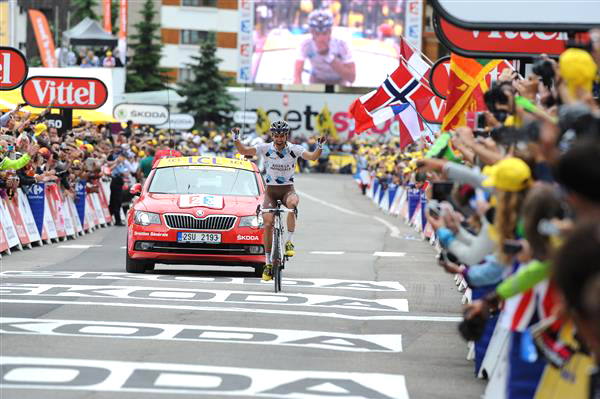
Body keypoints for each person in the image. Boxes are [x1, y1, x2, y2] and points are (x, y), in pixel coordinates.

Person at [232, 120, 327, 281]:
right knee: (268, 223)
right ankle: (268, 263)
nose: (279, 139)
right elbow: (244, 150)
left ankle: (289, 242)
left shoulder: (294, 149)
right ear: (272, 135)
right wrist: (236, 138)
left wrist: (319, 147)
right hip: (270, 191)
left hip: (287, 190)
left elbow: (312, 158)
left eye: (282, 135)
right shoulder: (265, 148)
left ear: (286, 136)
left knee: (293, 204)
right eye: (276, 135)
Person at [293, 9, 356, 85]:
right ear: (311, 32)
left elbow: (352, 78)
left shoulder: (341, 43)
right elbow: (297, 76)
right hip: (316, 79)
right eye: (317, 34)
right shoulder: (306, 43)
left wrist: (329, 58)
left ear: (330, 32)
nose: (321, 38)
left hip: (339, 81)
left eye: (324, 33)